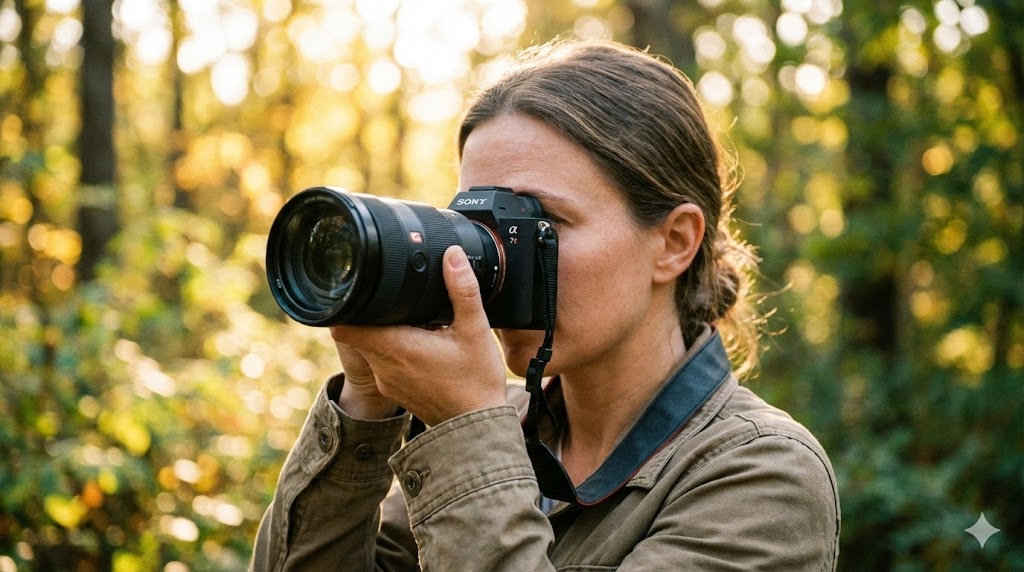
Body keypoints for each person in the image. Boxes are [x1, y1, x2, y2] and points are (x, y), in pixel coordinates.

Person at [251, 38, 840, 571]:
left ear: (675, 242)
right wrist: (367, 405)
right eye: (479, 225)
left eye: (543, 224)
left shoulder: (763, 477)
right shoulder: (500, 426)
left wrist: (465, 429)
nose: (500, 263)